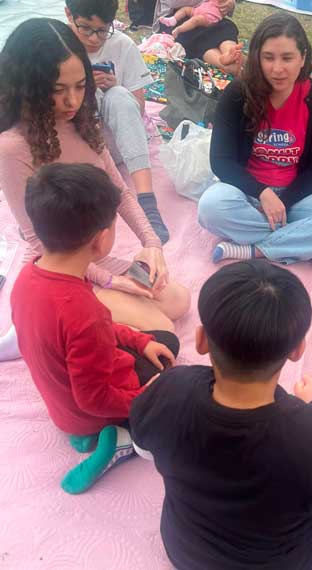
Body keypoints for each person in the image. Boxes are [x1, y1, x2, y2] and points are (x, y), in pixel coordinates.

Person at [130, 260, 312, 570]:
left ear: (202, 340)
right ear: (297, 350)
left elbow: (143, 448)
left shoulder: (170, 389)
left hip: (186, 553)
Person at [0, 18, 190, 361]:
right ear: (28, 86)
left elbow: (122, 194)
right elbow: (40, 244)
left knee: (177, 299)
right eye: (58, 90)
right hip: (56, 273)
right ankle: (35, 329)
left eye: (80, 85)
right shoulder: (13, 147)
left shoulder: (82, 124)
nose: (72, 100)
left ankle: (57, 328)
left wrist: (151, 245)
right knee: (164, 330)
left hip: (92, 259)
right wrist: (112, 282)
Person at [12, 163, 180, 493]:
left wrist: (139, 340)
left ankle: (84, 435)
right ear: (102, 241)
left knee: (152, 341)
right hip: (93, 411)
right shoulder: (84, 312)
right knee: (171, 360)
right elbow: (93, 397)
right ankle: (121, 440)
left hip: (63, 410)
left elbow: (74, 340)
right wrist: (143, 400)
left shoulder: (28, 277)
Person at [197, 13, 312, 264]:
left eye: (287, 58)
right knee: (210, 208)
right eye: (268, 58)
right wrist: (262, 193)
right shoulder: (238, 93)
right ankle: (304, 243)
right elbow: (221, 161)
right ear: (257, 58)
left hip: (296, 196)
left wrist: (283, 201)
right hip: (246, 191)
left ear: (303, 58)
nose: (277, 69)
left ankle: (254, 250)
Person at [65, 0, 170, 243]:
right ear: (68, 15)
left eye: (103, 30)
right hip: (75, 144)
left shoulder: (122, 45)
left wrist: (111, 87)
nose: (95, 38)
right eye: (86, 28)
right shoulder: (57, 46)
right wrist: (83, 88)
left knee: (119, 96)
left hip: (115, 143)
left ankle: (147, 201)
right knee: (87, 95)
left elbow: (137, 109)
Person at [159, 0, 246, 45]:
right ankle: (173, 19)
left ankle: (179, 29)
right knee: (185, 9)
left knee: (196, 21)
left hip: (208, 16)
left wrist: (230, 2)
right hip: (199, 9)